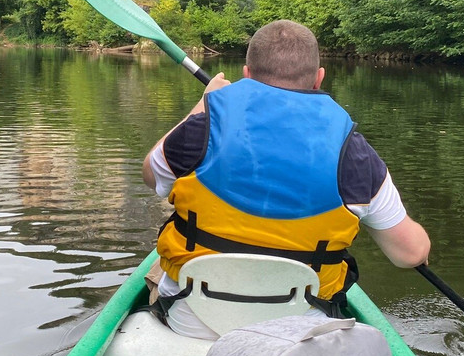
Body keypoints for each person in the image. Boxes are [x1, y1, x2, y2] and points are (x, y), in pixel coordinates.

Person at [142, 19, 430, 339]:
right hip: (299, 329)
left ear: (247, 74)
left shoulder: (201, 129)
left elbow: (151, 174)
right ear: (319, 78)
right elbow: (410, 255)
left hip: (191, 318)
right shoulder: (356, 155)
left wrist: (204, 105)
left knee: (158, 270)